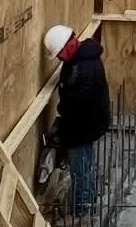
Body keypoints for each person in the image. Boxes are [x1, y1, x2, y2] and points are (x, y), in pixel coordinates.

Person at [45, 23, 110, 216]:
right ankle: (87, 201)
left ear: (69, 45)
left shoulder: (82, 70)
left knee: (80, 169)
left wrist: (63, 132)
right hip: (89, 122)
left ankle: (83, 212)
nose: (58, 58)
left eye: (59, 54)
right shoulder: (81, 58)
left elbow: (75, 106)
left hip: (83, 127)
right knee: (85, 166)